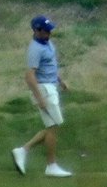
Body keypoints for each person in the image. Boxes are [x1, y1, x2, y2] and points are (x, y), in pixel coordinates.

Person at [12, 15, 73, 178]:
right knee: (53, 127)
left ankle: (23, 150)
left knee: (52, 127)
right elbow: (29, 76)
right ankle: (51, 166)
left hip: (51, 87)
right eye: (46, 31)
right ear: (36, 31)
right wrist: (39, 98)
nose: (49, 33)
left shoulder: (47, 43)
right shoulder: (35, 49)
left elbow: (50, 65)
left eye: (49, 30)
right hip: (44, 89)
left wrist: (60, 81)